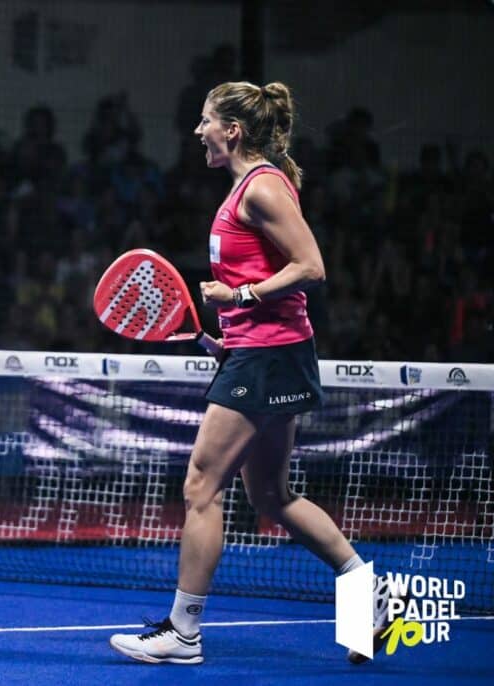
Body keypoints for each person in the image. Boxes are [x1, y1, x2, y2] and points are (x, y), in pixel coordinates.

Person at [109, 81, 390, 665]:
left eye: (205, 121)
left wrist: (239, 297)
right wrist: (229, 339)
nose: (198, 132)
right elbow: (273, 281)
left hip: (268, 357)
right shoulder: (251, 187)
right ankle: (370, 593)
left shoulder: (261, 187)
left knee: (200, 486)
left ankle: (183, 633)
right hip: (265, 352)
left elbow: (311, 266)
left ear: (232, 130)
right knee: (270, 494)